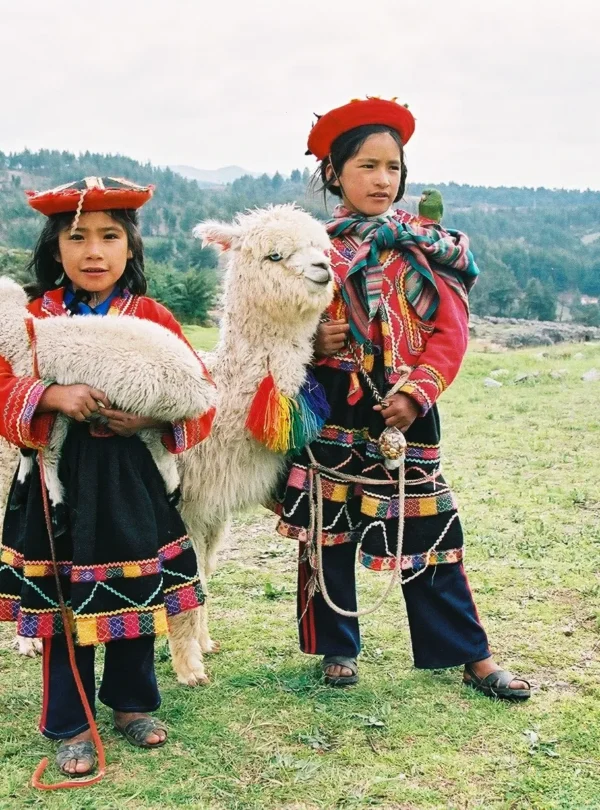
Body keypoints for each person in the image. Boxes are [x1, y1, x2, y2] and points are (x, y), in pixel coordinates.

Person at [274, 98, 530, 700]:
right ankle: (336, 646)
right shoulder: (314, 253)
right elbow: (278, 325)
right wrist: (311, 342)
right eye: (366, 166)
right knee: (326, 528)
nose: (382, 179)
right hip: (332, 408)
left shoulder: (427, 248)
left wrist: (417, 394)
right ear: (334, 173)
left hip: (407, 412)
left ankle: (470, 655)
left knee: (428, 531)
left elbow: (451, 332)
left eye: (392, 167)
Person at [0, 177, 216, 776]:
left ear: (130, 246)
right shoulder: (32, 320)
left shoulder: (151, 317)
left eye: (109, 236)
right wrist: (51, 396)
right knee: (63, 605)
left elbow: (200, 397)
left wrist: (146, 417)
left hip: (131, 478)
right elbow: (2, 385)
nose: (93, 251)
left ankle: (131, 703)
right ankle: (71, 722)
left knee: (134, 588)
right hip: (57, 484)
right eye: (77, 237)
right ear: (55, 248)